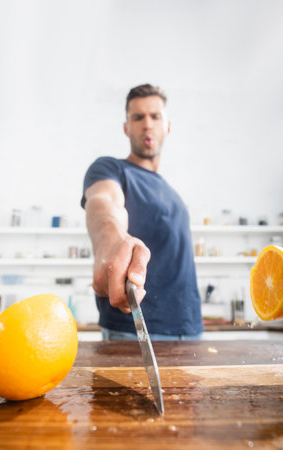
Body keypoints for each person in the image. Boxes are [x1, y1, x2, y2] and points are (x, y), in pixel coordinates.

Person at [81, 84, 203, 340]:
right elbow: (105, 204)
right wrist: (111, 240)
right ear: (126, 127)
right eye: (138, 117)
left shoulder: (173, 193)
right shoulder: (110, 169)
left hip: (189, 328)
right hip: (135, 329)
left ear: (167, 126)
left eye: (155, 116)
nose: (147, 124)